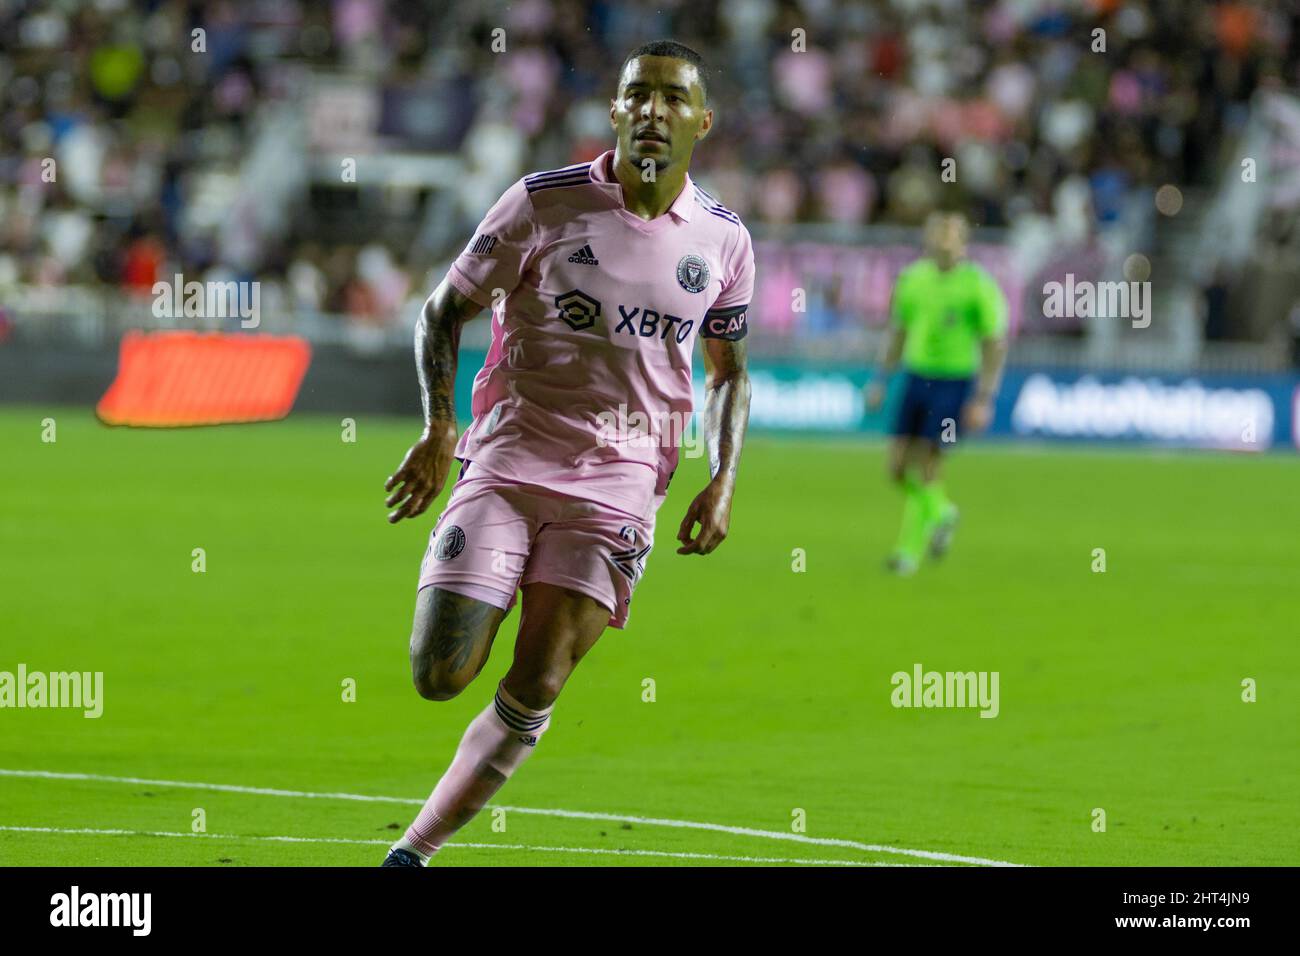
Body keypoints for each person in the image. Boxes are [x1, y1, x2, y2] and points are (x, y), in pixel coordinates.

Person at [379, 40, 755, 866]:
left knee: (540, 679)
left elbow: (729, 373)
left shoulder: (725, 242)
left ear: (702, 122)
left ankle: (411, 853)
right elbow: (442, 312)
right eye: (638, 95)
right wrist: (441, 427)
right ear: (616, 112)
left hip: (624, 482)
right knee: (439, 672)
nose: (653, 111)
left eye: (672, 98)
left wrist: (723, 478)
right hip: (512, 457)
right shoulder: (541, 204)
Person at [865, 212, 1007, 575]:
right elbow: (897, 333)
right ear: (927, 240)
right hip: (916, 378)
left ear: (963, 241)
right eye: (938, 234)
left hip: (954, 382)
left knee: (927, 463)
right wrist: (881, 379)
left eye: (951, 235)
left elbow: (994, 344)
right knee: (897, 468)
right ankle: (942, 512)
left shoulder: (977, 284)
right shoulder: (913, 280)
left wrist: (984, 397)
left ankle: (907, 554)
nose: (944, 241)